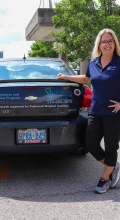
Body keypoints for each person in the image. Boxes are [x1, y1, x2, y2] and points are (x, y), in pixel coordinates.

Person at [57, 28, 120, 194]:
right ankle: (112, 166)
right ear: (99, 44)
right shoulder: (93, 63)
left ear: (114, 44)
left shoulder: (119, 62)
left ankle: (104, 179)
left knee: (111, 146)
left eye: (110, 41)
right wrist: (65, 77)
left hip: (114, 113)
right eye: (104, 41)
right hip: (96, 111)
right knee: (90, 143)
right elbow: (86, 79)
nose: (107, 44)